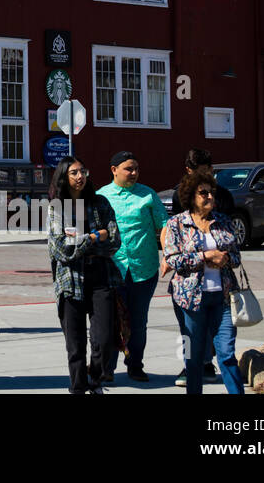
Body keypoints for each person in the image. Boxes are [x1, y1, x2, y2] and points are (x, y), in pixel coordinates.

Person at [164, 167, 246, 395]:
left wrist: (225, 258)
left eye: (211, 192)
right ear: (191, 196)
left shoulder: (223, 221)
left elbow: (237, 257)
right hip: (189, 299)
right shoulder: (176, 224)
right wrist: (206, 256)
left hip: (223, 297)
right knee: (193, 354)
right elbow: (173, 259)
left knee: (227, 352)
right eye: (204, 193)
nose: (210, 197)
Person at [47, 155, 120, 394]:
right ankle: (78, 387)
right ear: (64, 178)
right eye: (74, 173)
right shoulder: (57, 208)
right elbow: (60, 249)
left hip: (101, 277)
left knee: (105, 339)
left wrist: (79, 242)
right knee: (75, 343)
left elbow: (114, 242)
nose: (80, 176)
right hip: (71, 280)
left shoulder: (100, 203)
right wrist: (93, 237)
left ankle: (95, 378)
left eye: (83, 171)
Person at [97, 151, 168, 383]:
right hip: (111, 270)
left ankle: (135, 365)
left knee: (138, 321)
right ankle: (106, 367)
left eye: (136, 168)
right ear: (114, 170)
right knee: (110, 321)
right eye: (129, 168)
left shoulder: (148, 195)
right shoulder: (101, 196)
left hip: (143, 269)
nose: (134, 173)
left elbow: (164, 226)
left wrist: (168, 253)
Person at [168, 149, 234, 216]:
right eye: (195, 173)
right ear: (188, 170)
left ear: (211, 169)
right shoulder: (180, 195)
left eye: (203, 172)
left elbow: (228, 221)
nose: (199, 178)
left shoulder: (223, 196)